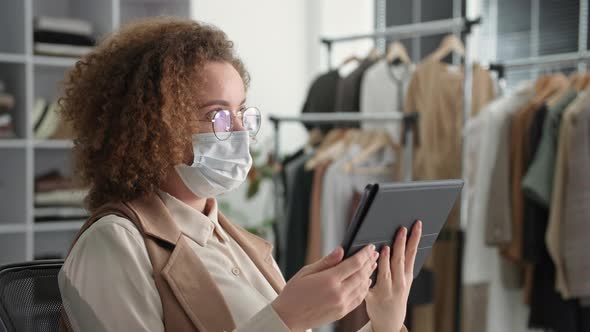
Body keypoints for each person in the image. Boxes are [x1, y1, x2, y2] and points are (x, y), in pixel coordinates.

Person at [57, 17, 422, 332]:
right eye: (216, 115)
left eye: (242, 113)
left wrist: (384, 321)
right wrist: (287, 317)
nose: (239, 132)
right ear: (151, 127)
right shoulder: (114, 243)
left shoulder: (240, 245)